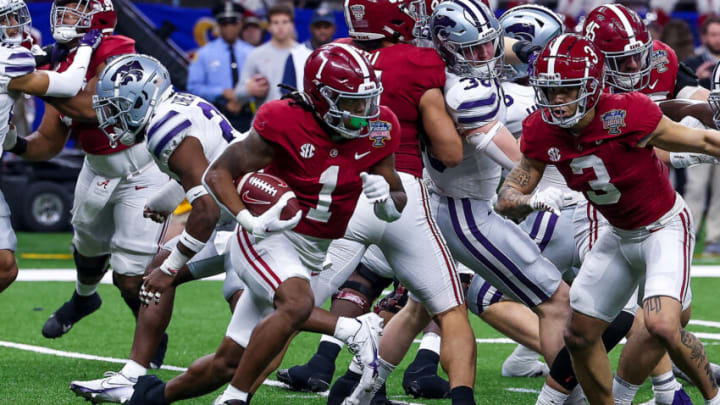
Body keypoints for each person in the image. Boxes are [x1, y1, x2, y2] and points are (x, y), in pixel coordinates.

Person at [127, 42, 405, 405]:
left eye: (368, 101)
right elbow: (219, 173)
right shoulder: (284, 119)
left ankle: (152, 397)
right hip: (270, 236)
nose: (364, 113)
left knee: (228, 361)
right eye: (351, 102)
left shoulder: (379, 126)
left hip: (317, 251)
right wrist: (247, 219)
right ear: (322, 98)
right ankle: (239, 397)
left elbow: (396, 200)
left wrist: (385, 201)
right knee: (296, 303)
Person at [496, 32, 720, 405]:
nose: (556, 100)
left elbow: (703, 142)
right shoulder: (540, 129)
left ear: (592, 85)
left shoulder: (628, 111)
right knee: (579, 336)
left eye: (567, 90)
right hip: (618, 234)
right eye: (549, 91)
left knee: (663, 323)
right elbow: (507, 199)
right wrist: (532, 201)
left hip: (663, 225)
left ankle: (713, 398)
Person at [66, 54, 246, 404]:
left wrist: (173, 266)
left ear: (141, 97)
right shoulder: (180, 106)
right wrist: (167, 198)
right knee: (156, 270)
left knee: (250, 310)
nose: (110, 115)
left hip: (250, 218)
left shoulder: (163, 128)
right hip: (234, 210)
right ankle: (132, 375)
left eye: (116, 105)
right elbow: (203, 170)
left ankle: (241, 391)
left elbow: (205, 210)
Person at [5, 2, 168, 370]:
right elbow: (49, 140)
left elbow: (92, 107)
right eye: (60, 13)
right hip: (96, 168)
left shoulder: (117, 48)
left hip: (142, 169)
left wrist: (28, 80)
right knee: (87, 246)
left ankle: (150, 337)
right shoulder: (66, 60)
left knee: (130, 276)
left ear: (97, 17)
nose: (61, 20)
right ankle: (85, 297)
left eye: (71, 13)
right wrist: (14, 142)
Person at [0, 0, 101, 294]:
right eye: (6, 19)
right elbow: (69, 84)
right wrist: (86, 46)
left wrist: (54, 52)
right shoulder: (8, 61)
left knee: (5, 267)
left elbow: (32, 62)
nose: (14, 24)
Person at [187, 1, 254, 132]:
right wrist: (222, 92)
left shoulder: (252, 52)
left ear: (241, 23)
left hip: (248, 115)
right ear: (217, 25)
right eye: (224, 23)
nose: (229, 27)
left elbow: (261, 84)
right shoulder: (203, 54)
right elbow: (193, 87)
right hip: (215, 116)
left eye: (233, 22)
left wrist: (241, 97)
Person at [234, 3, 297, 110]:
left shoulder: (304, 54)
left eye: (285, 22)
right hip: (265, 121)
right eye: (275, 22)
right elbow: (238, 93)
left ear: (292, 25)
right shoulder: (256, 54)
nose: (280, 27)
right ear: (269, 27)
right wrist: (249, 90)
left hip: (296, 119)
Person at [684, 16, 720, 90]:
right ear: (704, 37)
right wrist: (696, 78)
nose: (718, 39)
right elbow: (681, 90)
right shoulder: (690, 64)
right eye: (713, 35)